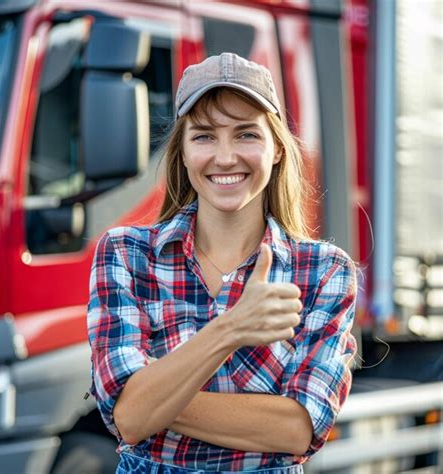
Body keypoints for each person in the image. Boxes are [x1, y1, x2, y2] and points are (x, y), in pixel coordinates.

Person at [87, 52, 357, 473]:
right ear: (183, 152)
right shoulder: (125, 253)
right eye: (205, 136)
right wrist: (231, 328)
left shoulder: (324, 270)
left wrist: (156, 396)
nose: (226, 157)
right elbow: (131, 419)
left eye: (247, 134)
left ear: (276, 151)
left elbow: (298, 430)